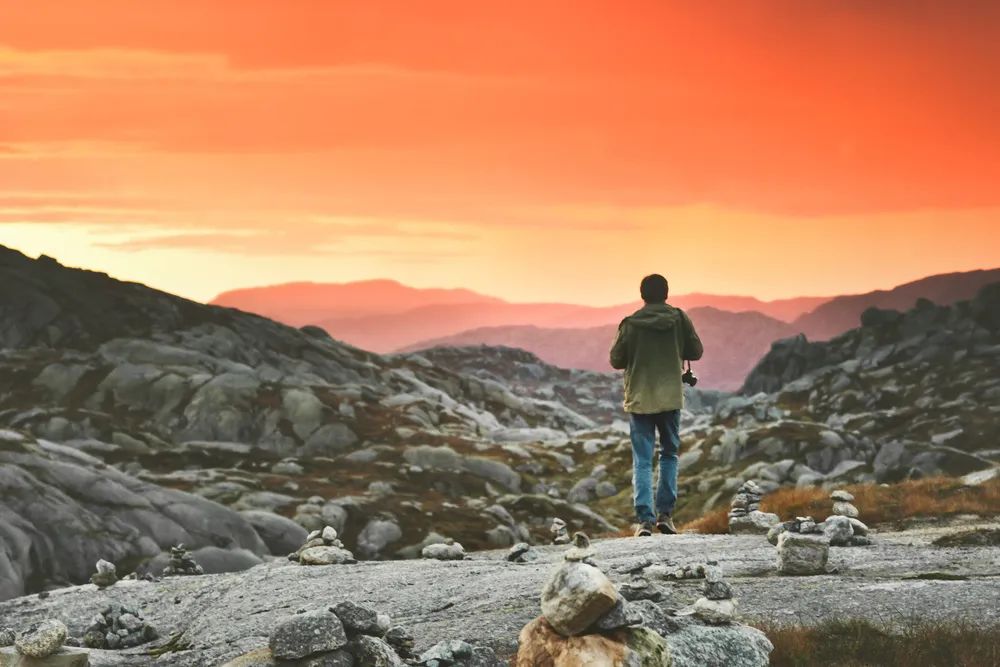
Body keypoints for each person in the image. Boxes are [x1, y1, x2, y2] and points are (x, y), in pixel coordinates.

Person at [609, 274, 703, 537]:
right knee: (669, 454)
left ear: (642, 295)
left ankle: (645, 521)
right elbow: (695, 351)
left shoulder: (630, 324)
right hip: (670, 397)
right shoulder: (679, 319)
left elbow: (616, 359)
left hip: (640, 398)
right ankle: (665, 515)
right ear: (666, 293)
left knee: (642, 460)